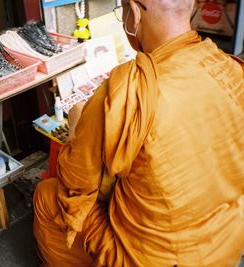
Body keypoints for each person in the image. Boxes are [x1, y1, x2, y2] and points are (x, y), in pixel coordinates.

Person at [33, 0, 244, 266]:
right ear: (192, 8)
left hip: (154, 260)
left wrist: (76, 126)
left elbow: (76, 183)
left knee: (47, 195)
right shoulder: (231, 68)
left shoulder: (124, 91)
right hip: (229, 241)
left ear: (133, 13)